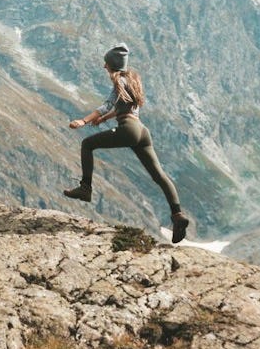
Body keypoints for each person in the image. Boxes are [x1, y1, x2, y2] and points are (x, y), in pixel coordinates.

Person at [64, 43, 190, 243]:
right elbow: (125, 106)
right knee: (160, 176)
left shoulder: (118, 80)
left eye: (106, 64)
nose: (104, 67)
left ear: (112, 65)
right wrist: (104, 120)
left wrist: (84, 120)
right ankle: (178, 215)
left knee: (87, 144)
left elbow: (107, 104)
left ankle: (85, 188)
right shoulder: (133, 80)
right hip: (142, 131)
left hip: (128, 130)